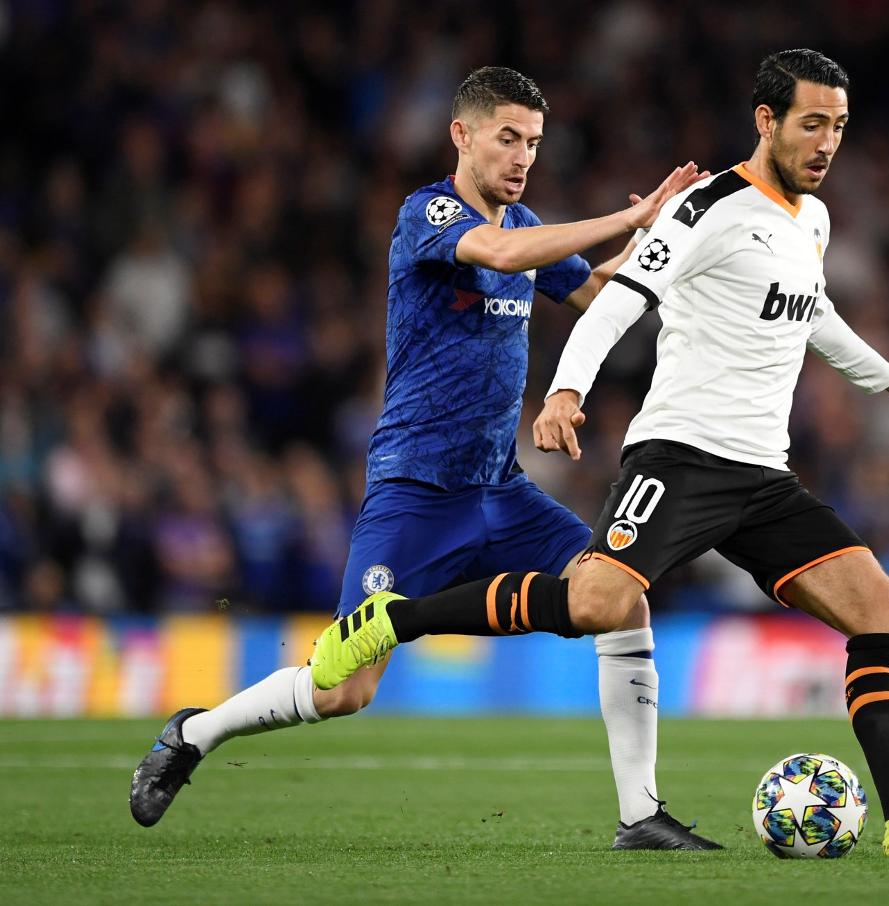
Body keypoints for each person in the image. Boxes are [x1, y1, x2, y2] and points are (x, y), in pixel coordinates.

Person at [311, 49, 889, 856]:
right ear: (768, 121)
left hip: (763, 475)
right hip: (680, 458)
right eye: (812, 124)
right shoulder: (708, 206)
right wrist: (566, 391)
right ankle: (392, 622)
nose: (828, 143)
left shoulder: (814, 220)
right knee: (596, 605)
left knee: (886, 616)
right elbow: (617, 302)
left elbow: (812, 311)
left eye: (840, 127)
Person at [130, 66, 720, 851]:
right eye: (508, 138)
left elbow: (599, 294)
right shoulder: (428, 214)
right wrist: (625, 217)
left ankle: (641, 815)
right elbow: (502, 256)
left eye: (534, 144)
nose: (521, 157)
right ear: (462, 134)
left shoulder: (528, 224)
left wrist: (669, 245)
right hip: (415, 490)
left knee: (618, 597)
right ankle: (193, 734)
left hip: (499, 490)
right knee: (344, 690)